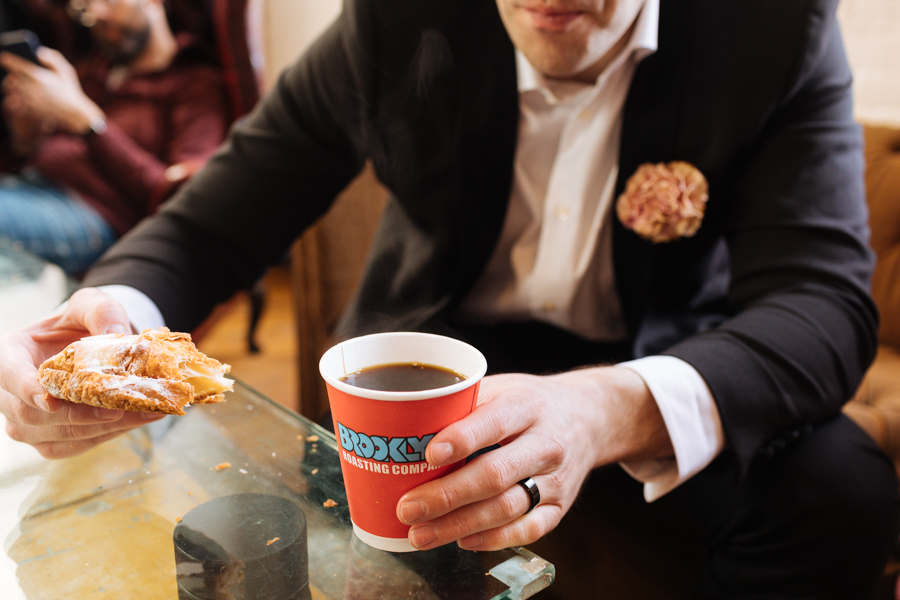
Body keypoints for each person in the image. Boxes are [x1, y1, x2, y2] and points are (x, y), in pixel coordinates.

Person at [1, 0, 898, 597]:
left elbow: (823, 303)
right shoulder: (400, 16)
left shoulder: (772, 28)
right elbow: (211, 224)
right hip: (430, 376)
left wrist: (605, 408)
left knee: (844, 492)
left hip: (648, 375)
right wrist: (115, 314)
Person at [0, 0, 229, 276]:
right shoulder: (89, 73)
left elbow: (182, 196)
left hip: (94, 216)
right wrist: (26, 136)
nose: (96, 14)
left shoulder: (197, 83)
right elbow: (28, 156)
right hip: (26, 188)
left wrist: (89, 124)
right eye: (85, 6)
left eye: (108, 0)